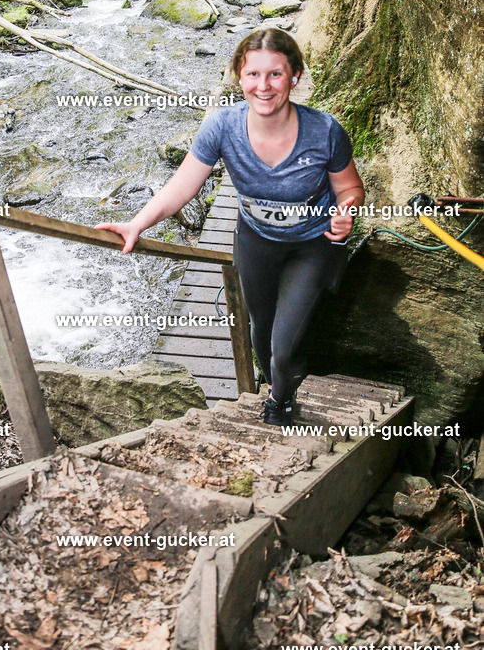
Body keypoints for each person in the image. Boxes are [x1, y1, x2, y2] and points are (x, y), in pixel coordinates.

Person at [96, 29, 365, 425]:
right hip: (256, 240)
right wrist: (137, 224)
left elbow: (351, 188)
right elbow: (184, 184)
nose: (263, 86)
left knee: (285, 344)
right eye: (252, 75)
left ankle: (282, 398)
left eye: (275, 74)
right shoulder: (222, 126)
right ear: (239, 77)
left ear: (294, 76)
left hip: (313, 244)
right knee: (260, 327)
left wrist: (347, 212)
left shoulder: (324, 131)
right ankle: (275, 378)